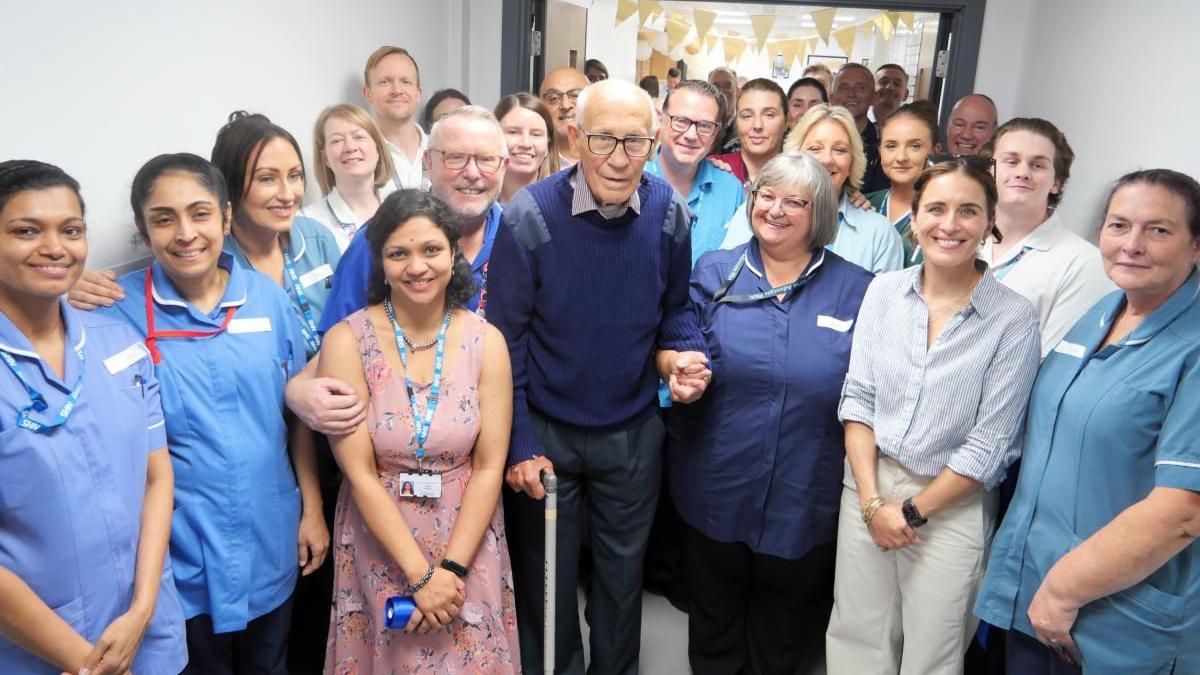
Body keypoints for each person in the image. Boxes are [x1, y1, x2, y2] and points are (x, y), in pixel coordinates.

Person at [487, 79, 711, 674]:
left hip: (633, 436)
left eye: (634, 141)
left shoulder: (669, 213)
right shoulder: (529, 214)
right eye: (602, 139)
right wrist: (521, 441)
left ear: (654, 140)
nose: (618, 157)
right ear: (573, 137)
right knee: (550, 586)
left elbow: (674, 310)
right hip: (548, 436)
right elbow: (505, 341)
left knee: (621, 582)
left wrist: (687, 356)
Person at [96, 153, 326, 674]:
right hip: (176, 551)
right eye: (163, 219)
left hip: (269, 532)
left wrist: (312, 506)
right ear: (142, 228)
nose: (185, 233)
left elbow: (295, 412)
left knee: (269, 665)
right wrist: (71, 288)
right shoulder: (116, 311)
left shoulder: (267, 300)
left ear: (224, 217)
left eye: (200, 214)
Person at [975, 169, 1200, 675]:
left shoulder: (1193, 347)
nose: (1133, 244)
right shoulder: (1107, 309)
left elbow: (1184, 509)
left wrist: (1063, 588)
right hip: (1038, 590)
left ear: (1196, 246)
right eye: (1119, 225)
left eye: (1159, 230)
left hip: (1115, 616)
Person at [825, 160, 1042, 675]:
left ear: (990, 223)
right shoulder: (882, 292)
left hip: (951, 504)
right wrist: (874, 501)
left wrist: (913, 511)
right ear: (915, 220)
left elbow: (991, 445)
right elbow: (857, 401)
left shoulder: (1013, 317)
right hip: (868, 485)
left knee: (934, 652)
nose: (950, 224)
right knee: (856, 631)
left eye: (968, 211)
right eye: (936, 209)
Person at [673, 153, 873, 674]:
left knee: (782, 632)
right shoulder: (715, 272)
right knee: (713, 621)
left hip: (804, 492)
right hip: (719, 482)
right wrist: (681, 370)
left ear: (820, 212)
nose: (776, 210)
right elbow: (679, 343)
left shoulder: (859, 289)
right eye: (766, 196)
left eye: (794, 201)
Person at [320, 190, 519, 673]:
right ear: (380, 260)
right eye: (398, 253)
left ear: (454, 254)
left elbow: (490, 464)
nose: (417, 266)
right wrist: (418, 573)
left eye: (431, 250)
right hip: (381, 533)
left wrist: (449, 570)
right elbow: (360, 472)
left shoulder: (485, 341)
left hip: (466, 532)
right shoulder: (347, 340)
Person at [0, 160, 188, 674]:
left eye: (71, 230)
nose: (55, 247)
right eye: (25, 231)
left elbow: (156, 476)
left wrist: (144, 607)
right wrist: (84, 662)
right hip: (41, 652)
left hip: (148, 630)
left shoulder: (118, 343)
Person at [316, 105, 507, 333]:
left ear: (504, 166)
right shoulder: (380, 236)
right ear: (428, 162)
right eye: (456, 158)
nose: (473, 173)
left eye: (486, 159)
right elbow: (338, 343)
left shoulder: (520, 238)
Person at [979, 117, 1114, 357]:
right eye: (1011, 161)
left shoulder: (1084, 263)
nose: (1022, 172)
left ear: (1056, 183)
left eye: (1038, 165)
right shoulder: (962, 242)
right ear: (989, 171)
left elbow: (1050, 364)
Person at [729, 105, 903, 273]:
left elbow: (883, 302)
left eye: (840, 150)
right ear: (794, 154)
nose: (827, 159)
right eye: (815, 148)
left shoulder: (879, 234)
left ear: (853, 161)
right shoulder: (758, 214)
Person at [646, 79, 745, 259]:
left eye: (705, 126)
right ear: (661, 119)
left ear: (716, 132)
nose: (691, 135)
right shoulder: (633, 179)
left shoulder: (730, 189)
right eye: (681, 121)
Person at [308, 104, 399, 252]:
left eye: (359, 137)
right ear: (325, 158)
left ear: (378, 150)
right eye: (337, 140)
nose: (350, 147)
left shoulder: (402, 211)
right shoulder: (308, 222)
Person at [866, 101, 942, 267]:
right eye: (891, 146)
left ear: (935, 151)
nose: (901, 157)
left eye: (914, 146)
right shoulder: (862, 205)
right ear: (880, 151)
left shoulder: (945, 216)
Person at [362, 45, 428, 189]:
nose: (397, 90)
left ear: (418, 93)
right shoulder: (359, 154)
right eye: (385, 82)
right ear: (368, 93)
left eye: (405, 81)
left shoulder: (439, 150)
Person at [711, 78, 788, 184]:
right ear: (736, 122)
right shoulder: (711, 169)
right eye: (747, 116)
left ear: (786, 122)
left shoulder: (800, 176)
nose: (757, 125)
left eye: (769, 115)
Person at [831, 63, 887, 193]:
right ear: (832, 97)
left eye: (860, 88)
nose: (851, 94)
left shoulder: (883, 146)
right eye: (844, 88)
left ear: (874, 97)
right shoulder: (816, 139)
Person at [494, 93, 560, 204]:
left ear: (548, 146)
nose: (525, 143)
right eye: (513, 132)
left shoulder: (564, 209)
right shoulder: (477, 208)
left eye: (536, 134)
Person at [539, 67, 590, 167]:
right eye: (554, 98)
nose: (565, 105)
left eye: (576, 96)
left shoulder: (607, 156)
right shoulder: (533, 161)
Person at [708, 66, 740, 151]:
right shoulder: (699, 126)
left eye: (728, 85)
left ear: (737, 91)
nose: (721, 91)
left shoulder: (746, 130)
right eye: (715, 86)